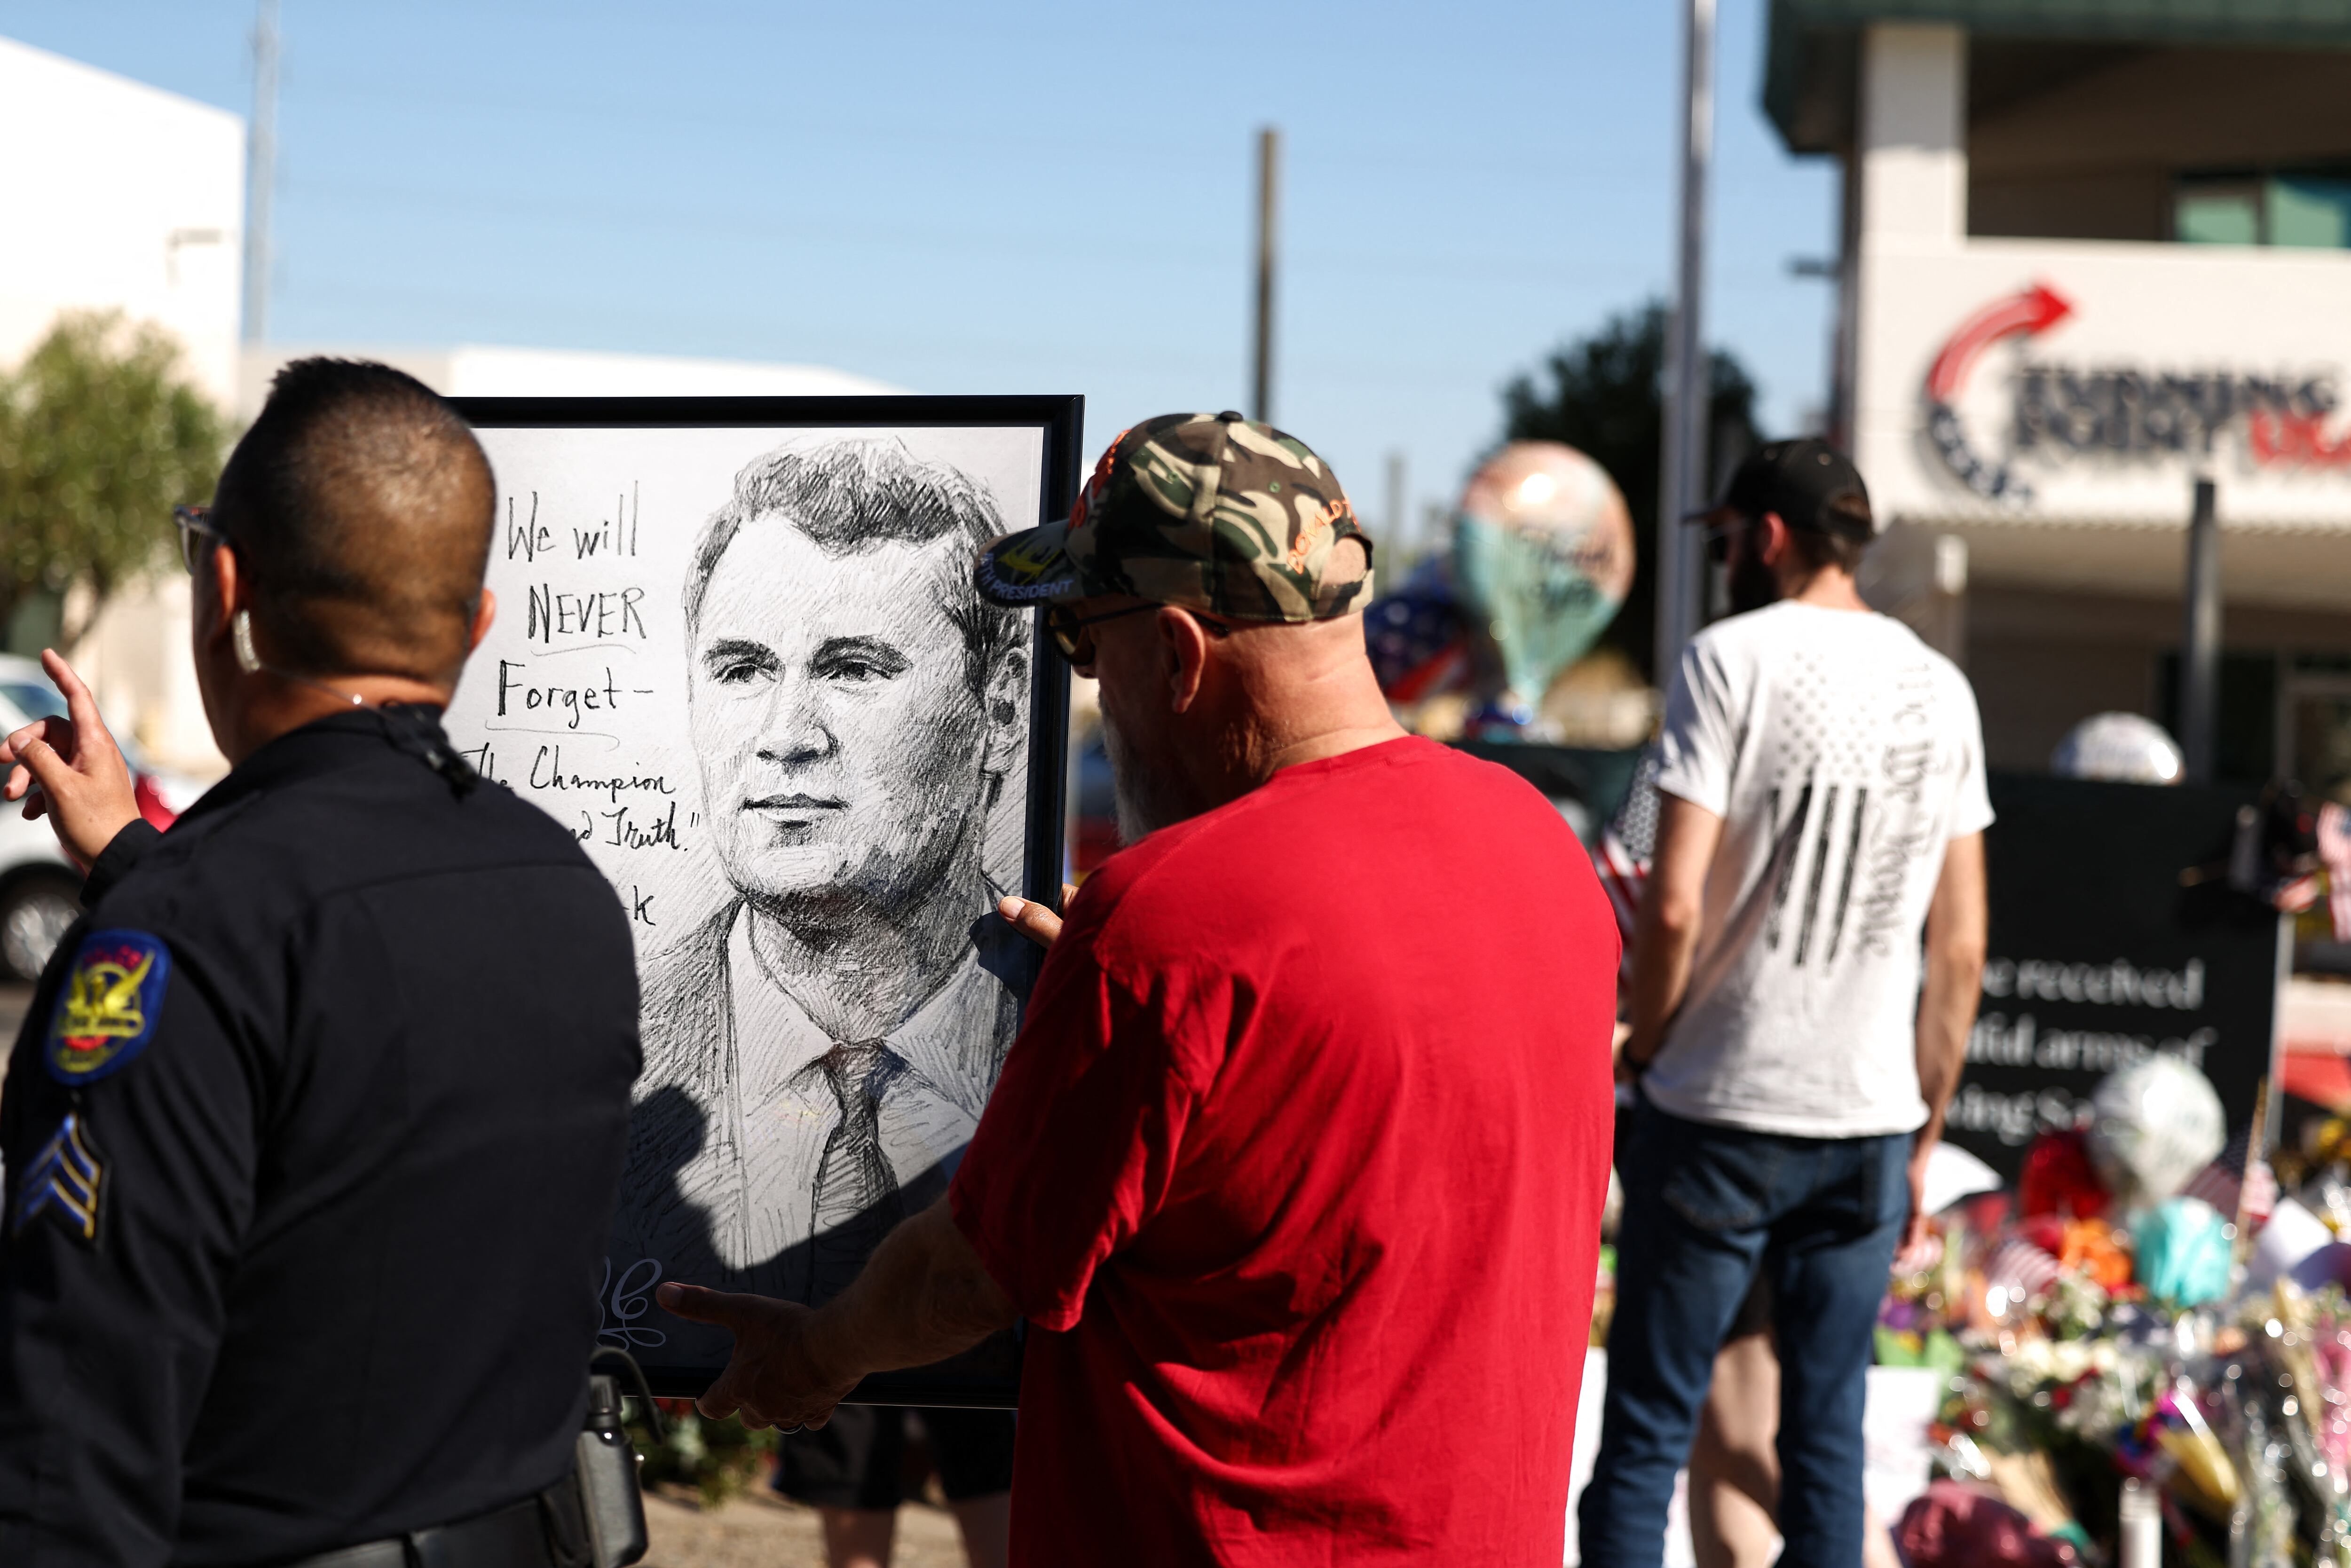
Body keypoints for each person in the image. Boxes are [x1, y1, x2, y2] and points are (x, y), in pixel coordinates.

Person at [650, 410, 1622, 1564]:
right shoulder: (1535, 846)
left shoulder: (1171, 919)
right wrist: (1126, 1006)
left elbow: (972, 1274)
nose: (1092, 689)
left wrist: (815, 1353)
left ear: (1176, 652)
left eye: (1083, 646)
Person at [0, 359, 641, 1566]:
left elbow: (76, 1442)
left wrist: (156, 897)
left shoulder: (189, 936)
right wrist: (136, 858)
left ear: (226, 588)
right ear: (475, 627)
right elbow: (347, 1019)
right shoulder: (561, 890)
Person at [1577, 439, 1989, 1568]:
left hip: (1718, 1103)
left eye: (1722, 540)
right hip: (1865, 1121)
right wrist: (1926, 1127)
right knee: (1825, 1451)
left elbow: (1665, 903)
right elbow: (1959, 946)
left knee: (1644, 1443)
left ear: (1764, 536)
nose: (1720, 561)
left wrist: (1644, 1048)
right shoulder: (1939, 687)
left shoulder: (1728, 661)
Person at [615, 439, 1025, 1568]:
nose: (785, 734)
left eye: (853, 666)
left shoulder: (1076, 1031)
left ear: (997, 710)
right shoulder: (601, 1057)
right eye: (743, 666)